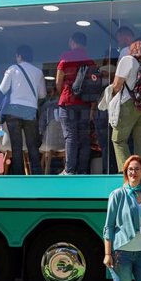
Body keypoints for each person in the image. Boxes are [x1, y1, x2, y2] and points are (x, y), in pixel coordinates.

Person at [0, 45, 47, 175]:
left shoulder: (12, 69)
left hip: (14, 109)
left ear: (19, 56)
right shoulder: (38, 72)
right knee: (32, 145)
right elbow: (42, 95)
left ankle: (18, 176)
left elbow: (3, 89)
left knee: (16, 146)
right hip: (30, 110)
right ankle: (37, 174)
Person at [55, 31, 96, 174]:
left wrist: (64, 93)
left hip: (68, 101)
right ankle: (83, 170)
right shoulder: (90, 61)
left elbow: (58, 81)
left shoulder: (66, 57)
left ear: (72, 41)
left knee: (71, 135)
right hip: (85, 103)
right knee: (84, 137)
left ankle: (70, 170)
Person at [110, 38, 141, 170]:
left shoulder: (128, 60)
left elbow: (117, 85)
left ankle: (126, 173)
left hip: (129, 104)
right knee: (140, 142)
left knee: (119, 139)